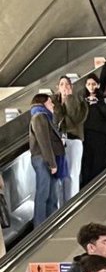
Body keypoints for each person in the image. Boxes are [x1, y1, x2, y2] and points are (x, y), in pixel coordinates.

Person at [28, 92, 64, 224]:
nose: (52, 104)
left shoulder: (46, 116)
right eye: (50, 102)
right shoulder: (39, 117)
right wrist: (52, 163)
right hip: (44, 159)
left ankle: (51, 222)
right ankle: (39, 226)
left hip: (48, 159)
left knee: (52, 193)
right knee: (43, 193)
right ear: (43, 103)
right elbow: (44, 142)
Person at [53, 76, 87, 203]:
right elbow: (56, 121)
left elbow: (74, 118)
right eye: (62, 84)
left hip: (74, 140)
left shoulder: (77, 101)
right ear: (58, 87)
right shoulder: (54, 103)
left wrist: (69, 98)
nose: (65, 87)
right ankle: (62, 205)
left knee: (72, 174)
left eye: (67, 84)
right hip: (59, 142)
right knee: (62, 175)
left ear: (71, 87)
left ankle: (72, 203)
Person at [80, 73, 106, 185]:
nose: (91, 86)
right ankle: (85, 187)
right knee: (86, 164)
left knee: (98, 164)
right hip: (86, 136)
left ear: (98, 85)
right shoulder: (82, 101)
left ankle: (97, 186)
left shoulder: (104, 100)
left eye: (94, 84)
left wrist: (98, 102)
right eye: (89, 84)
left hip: (100, 135)